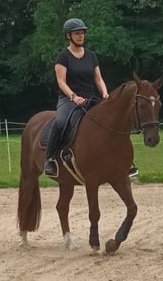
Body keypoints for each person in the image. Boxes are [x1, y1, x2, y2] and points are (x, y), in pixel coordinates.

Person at [44, 18, 139, 179]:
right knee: (60, 123)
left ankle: (125, 163)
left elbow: (98, 78)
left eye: (82, 33)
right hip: (69, 99)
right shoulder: (63, 57)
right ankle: (50, 159)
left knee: (112, 122)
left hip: (90, 98)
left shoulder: (91, 56)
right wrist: (73, 96)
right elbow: (61, 82)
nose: (81, 36)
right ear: (69, 36)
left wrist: (104, 92)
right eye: (77, 33)